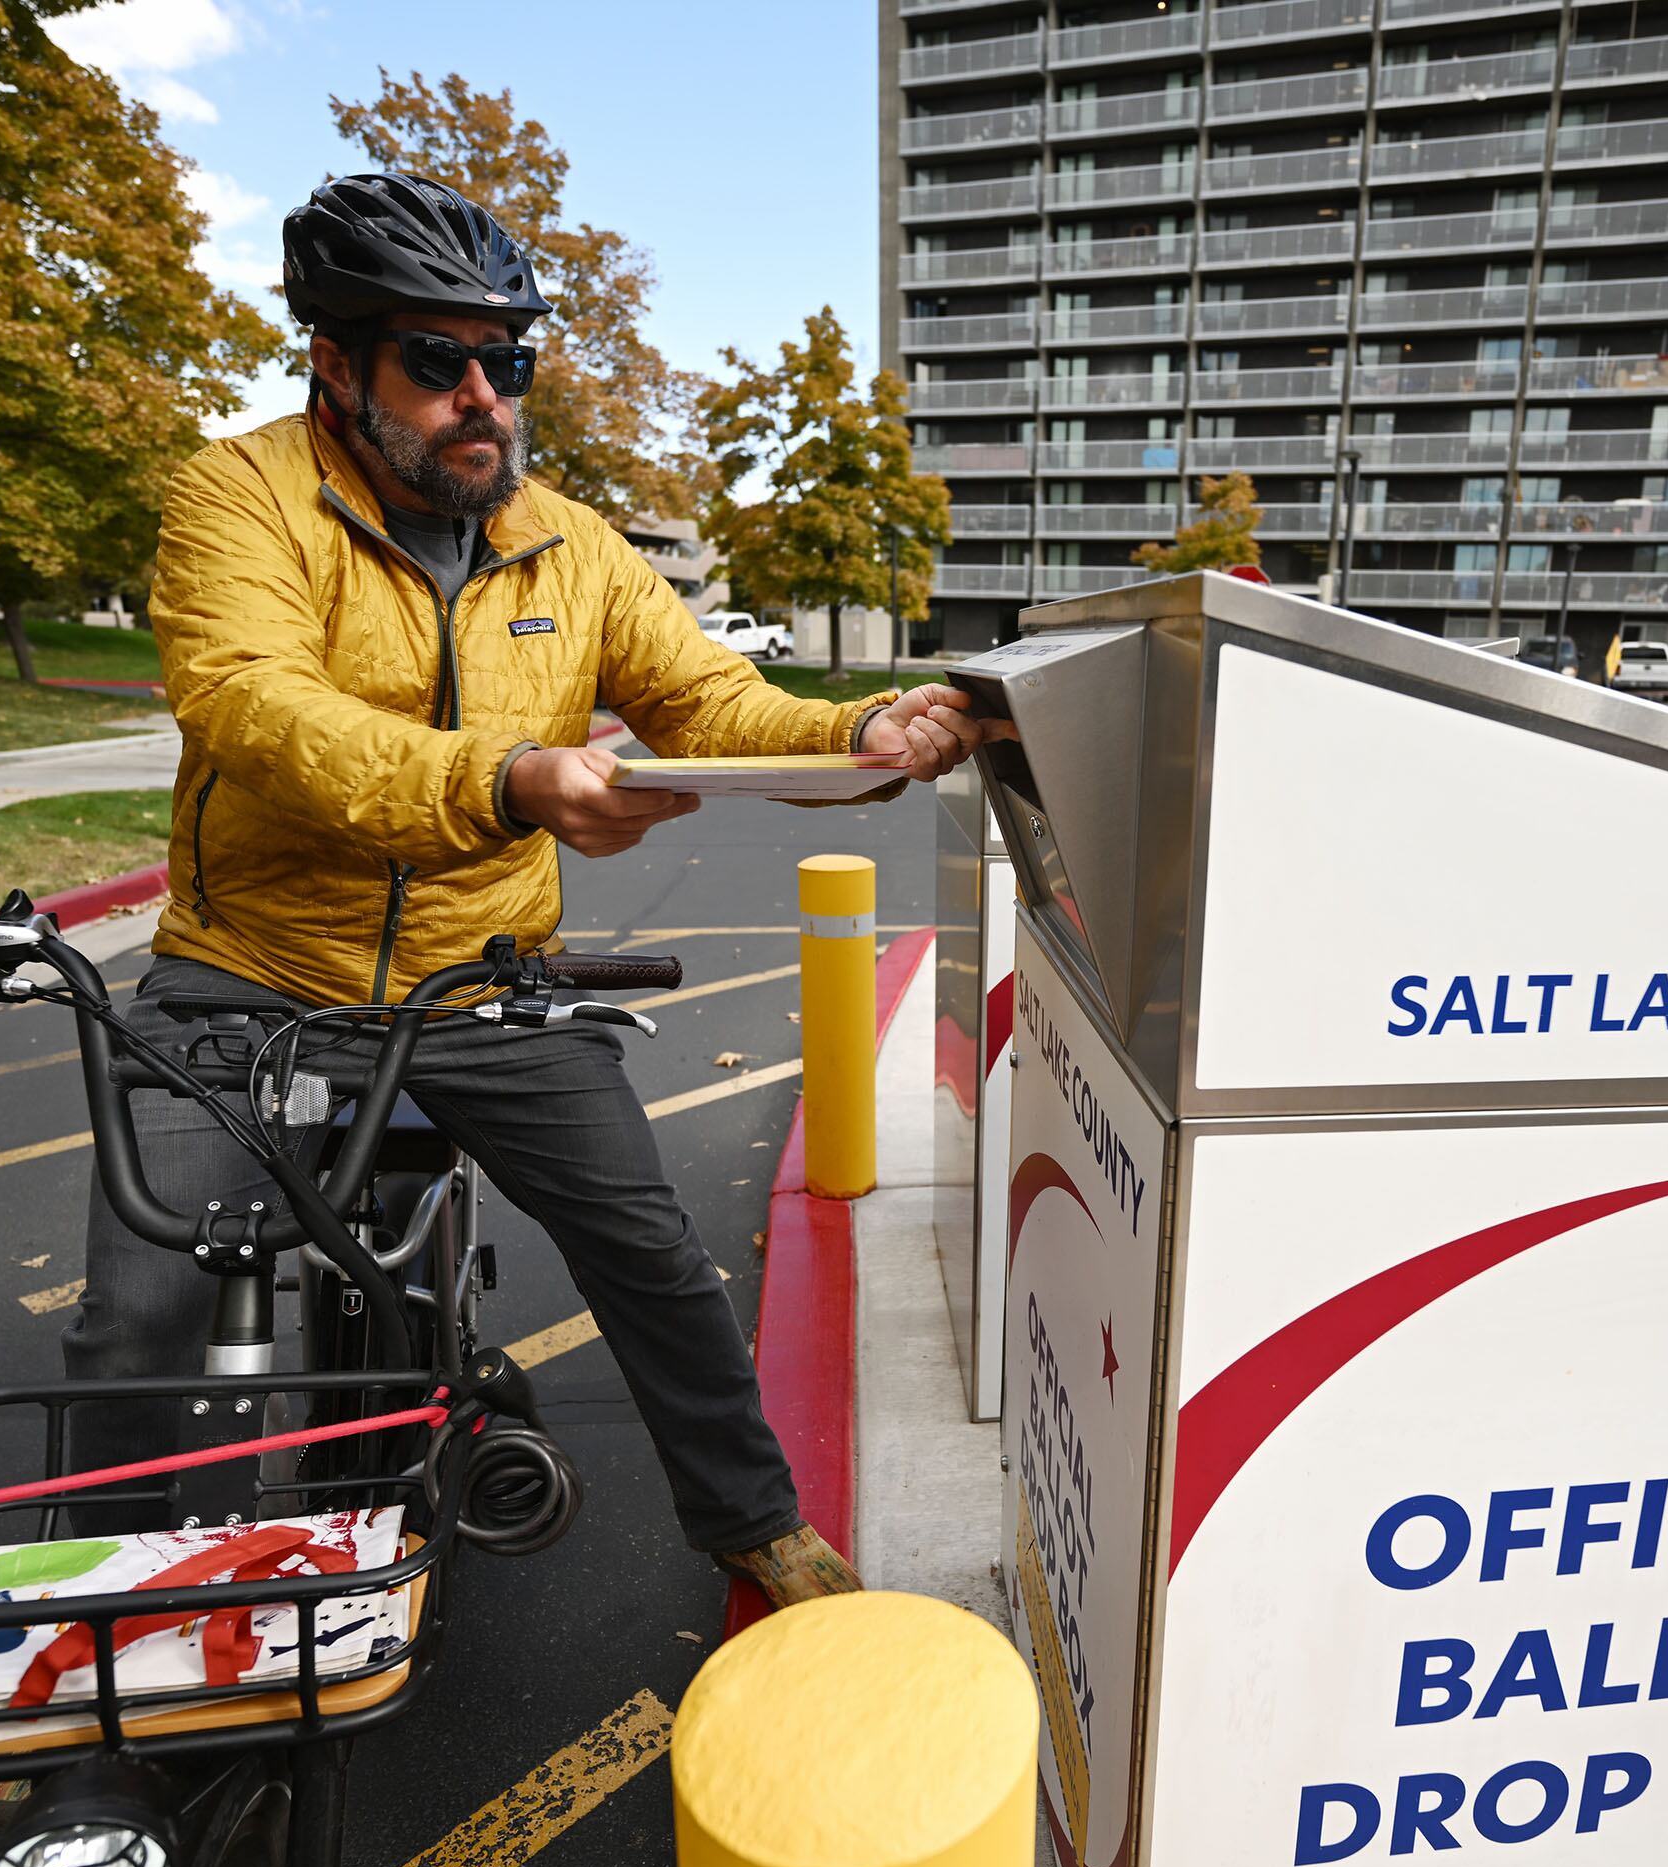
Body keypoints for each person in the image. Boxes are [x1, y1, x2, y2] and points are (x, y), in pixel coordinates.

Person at [61, 171, 992, 1607]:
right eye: (436, 363)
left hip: (485, 975)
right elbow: (255, 706)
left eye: (508, 363)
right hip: (243, 967)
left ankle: (753, 1521)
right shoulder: (237, 498)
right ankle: (95, 1614)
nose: (481, 396)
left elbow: (710, 700)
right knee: (141, 1315)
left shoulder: (571, 538)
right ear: (335, 362)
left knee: (650, 1249)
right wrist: (506, 781)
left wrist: (856, 732)